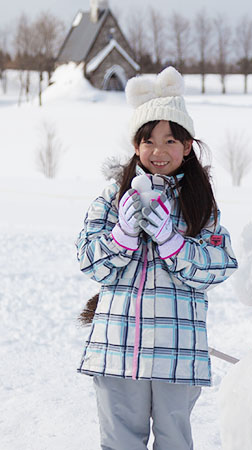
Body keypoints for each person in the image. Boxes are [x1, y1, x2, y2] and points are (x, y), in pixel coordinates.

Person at [76, 66, 238, 450]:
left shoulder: (199, 203)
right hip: (117, 351)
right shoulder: (113, 198)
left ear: (187, 146)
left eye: (170, 141)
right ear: (136, 146)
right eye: (148, 141)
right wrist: (122, 235)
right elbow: (88, 259)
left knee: (174, 442)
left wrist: (173, 242)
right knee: (120, 443)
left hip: (176, 352)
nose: (158, 151)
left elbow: (221, 263)